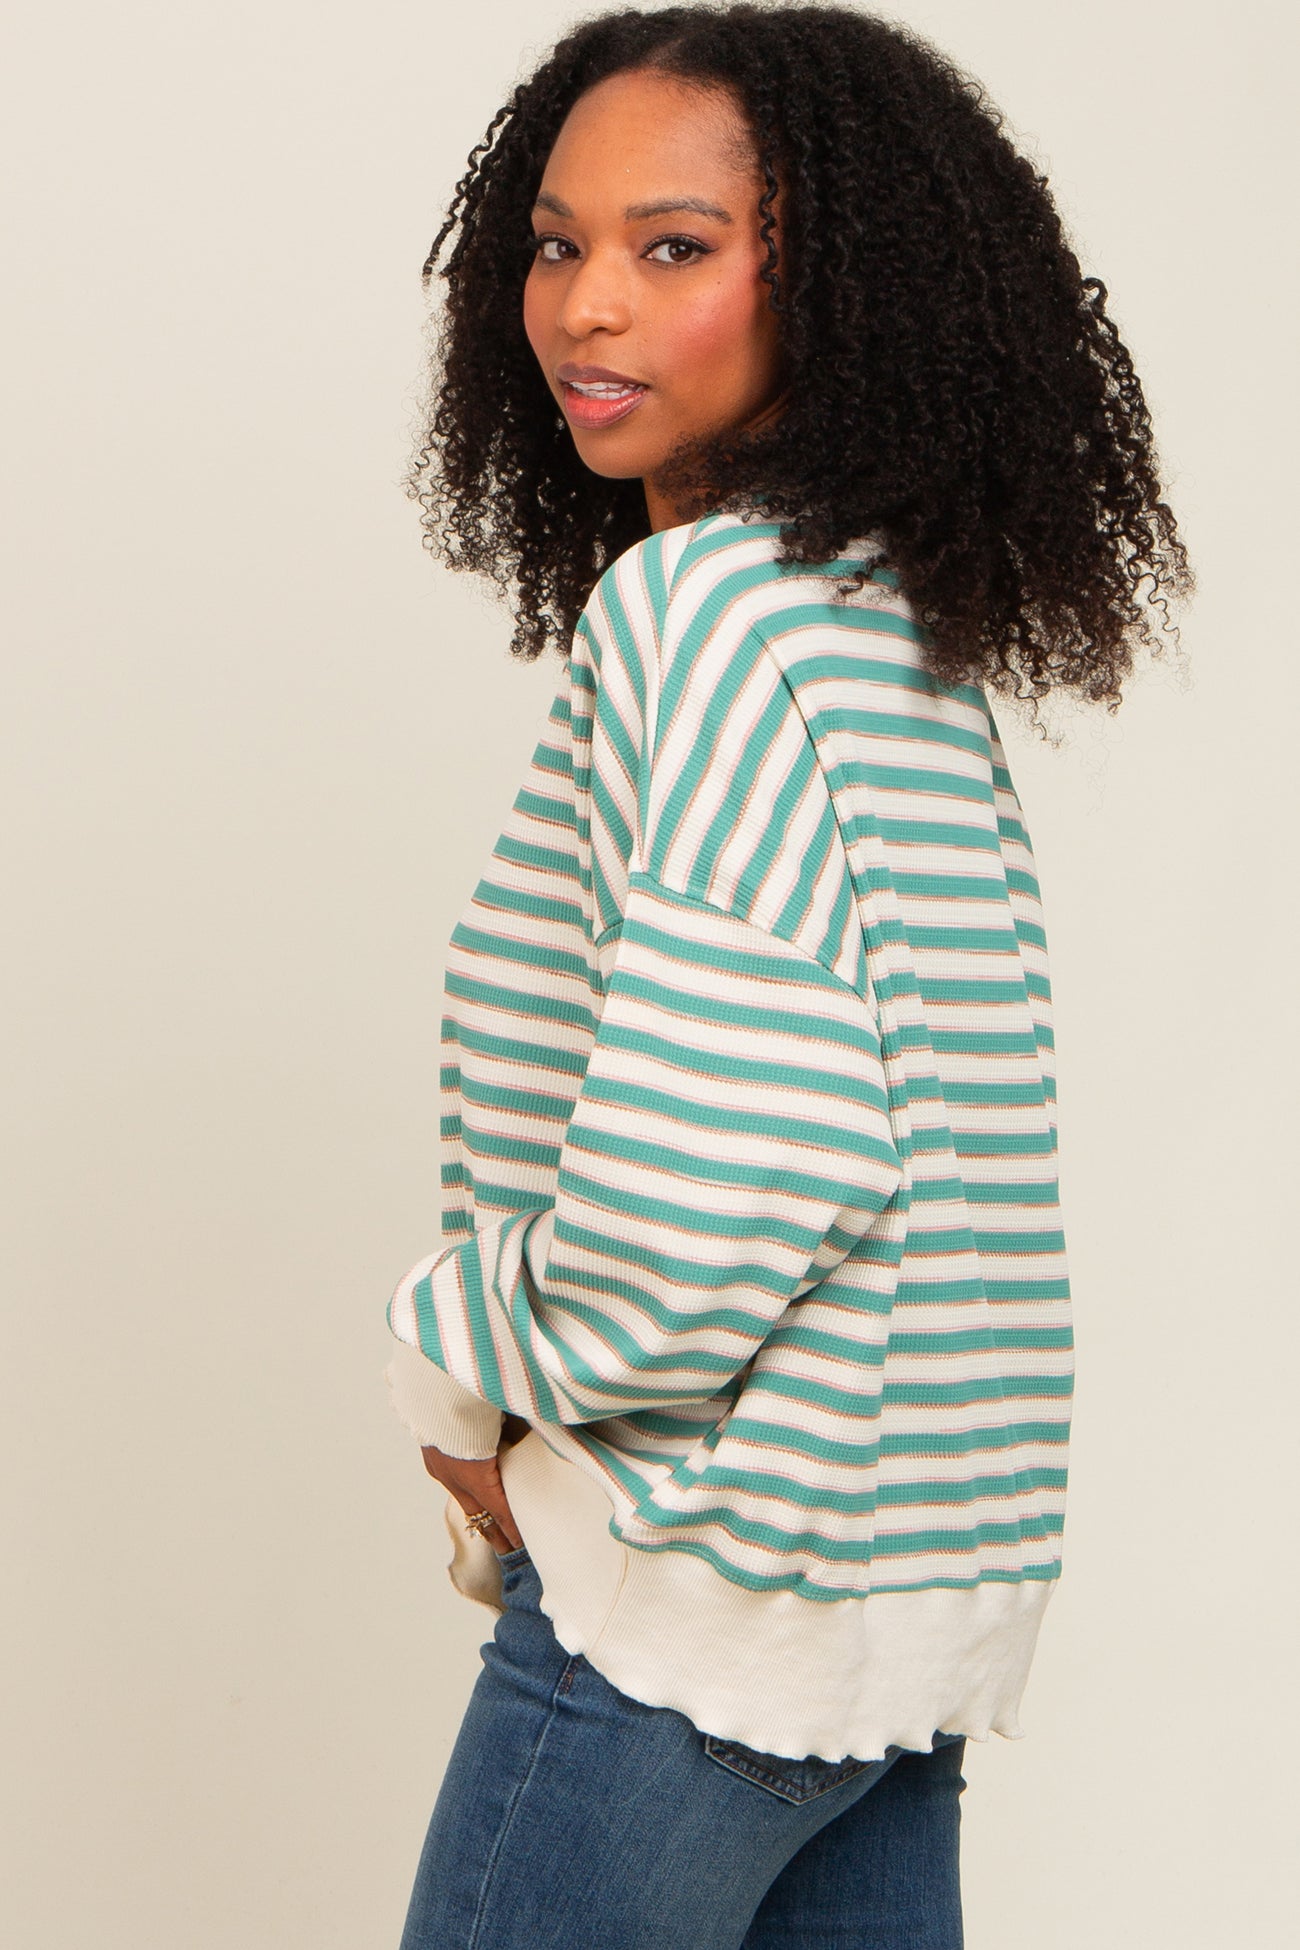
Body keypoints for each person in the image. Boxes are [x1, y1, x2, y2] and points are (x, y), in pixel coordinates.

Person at [380, 7, 1194, 1946]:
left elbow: (723, 1177)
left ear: (839, 285)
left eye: (673, 246)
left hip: (697, 1612)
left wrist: (463, 1365)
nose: (586, 305)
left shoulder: (702, 618)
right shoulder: (884, 636)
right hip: (894, 1623)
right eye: (556, 244)